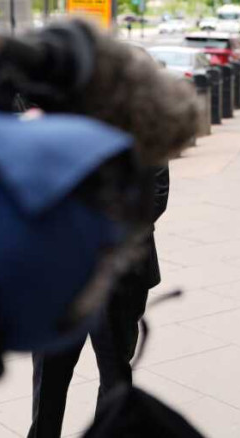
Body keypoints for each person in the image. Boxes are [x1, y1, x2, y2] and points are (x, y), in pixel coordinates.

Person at [28, 165, 169, 436]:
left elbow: (155, 195)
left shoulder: (141, 126)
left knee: (114, 375)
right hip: (59, 278)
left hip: (121, 277)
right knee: (48, 379)